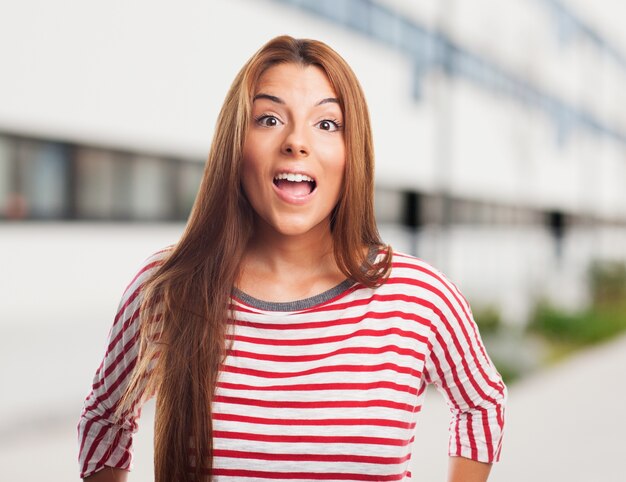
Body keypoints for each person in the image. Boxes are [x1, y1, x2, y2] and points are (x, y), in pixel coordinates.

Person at [78, 35, 506, 482]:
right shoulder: (170, 285)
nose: (296, 142)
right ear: (235, 146)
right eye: (268, 119)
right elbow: (104, 418)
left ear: (351, 152)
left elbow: (483, 402)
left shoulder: (419, 295)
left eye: (326, 124)